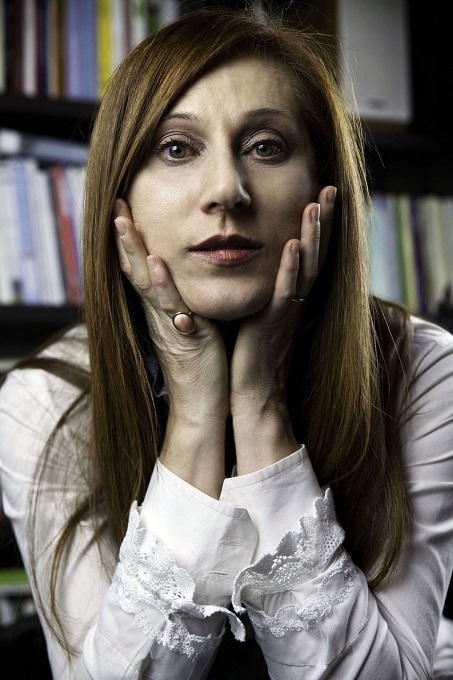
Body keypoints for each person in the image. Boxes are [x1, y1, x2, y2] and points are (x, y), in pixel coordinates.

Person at [0, 7, 452, 679]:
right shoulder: (45, 399)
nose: (226, 192)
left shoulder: (421, 367)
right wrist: (193, 414)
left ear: (323, 189)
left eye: (266, 147)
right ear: (119, 200)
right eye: (176, 149)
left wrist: (260, 404)